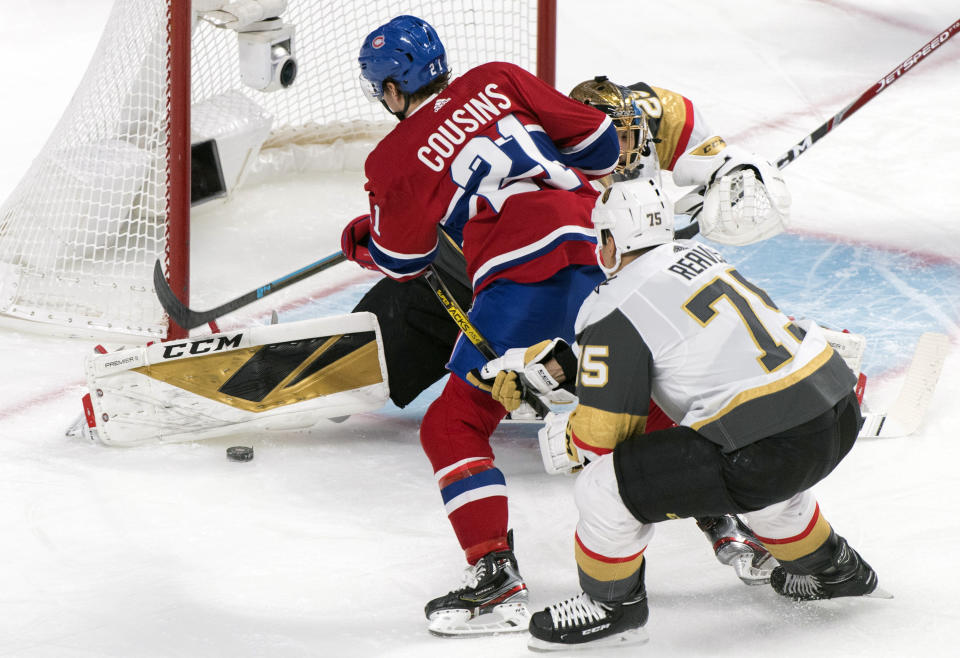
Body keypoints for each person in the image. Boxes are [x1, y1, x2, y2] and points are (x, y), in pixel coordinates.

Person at [487, 177, 882, 651]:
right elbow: (681, 346)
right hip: (836, 408)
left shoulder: (610, 307)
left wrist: (561, 424)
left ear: (610, 240)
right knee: (764, 479)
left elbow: (601, 441)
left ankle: (614, 608)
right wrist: (575, 369)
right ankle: (836, 570)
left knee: (604, 487)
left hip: (770, 448)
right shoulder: (701, 257)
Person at [352, 14, 620, 636]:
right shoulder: (497, 77)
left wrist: (360, 240)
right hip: (597, 255)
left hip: (521, 282)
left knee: (453, 424)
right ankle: (741, 532)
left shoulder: (392, 156)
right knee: (635, 397)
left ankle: (496, 578)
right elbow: (603, 146)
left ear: (392, 89)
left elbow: (404, 262)